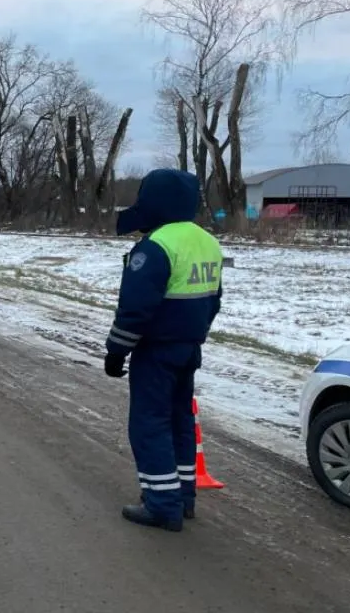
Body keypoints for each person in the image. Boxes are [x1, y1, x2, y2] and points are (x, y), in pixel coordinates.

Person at [104, 168, 223, 533]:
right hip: (189, 348)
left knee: (149, 424)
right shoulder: (207, 242)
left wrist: (116, 352)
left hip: (156, 351)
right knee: (179, 421)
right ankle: (184, 497)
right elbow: (214, 300)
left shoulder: (156, 246)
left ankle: (161, 504)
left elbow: (136, 308)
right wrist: (194, 334)